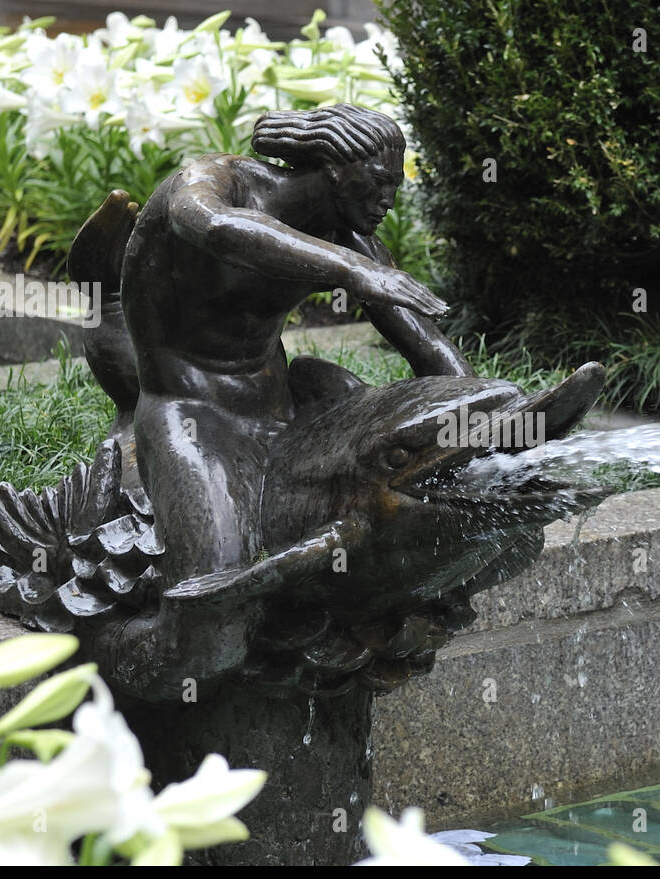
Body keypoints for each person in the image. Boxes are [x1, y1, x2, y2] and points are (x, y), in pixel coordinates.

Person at [110, 104, 474, 687]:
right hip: (191, 413)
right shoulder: (216, 183)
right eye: (380, 182)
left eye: (395, 185)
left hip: (285, 404)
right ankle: (109, 647)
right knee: (209, 622)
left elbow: (430, 351)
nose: (389, 200)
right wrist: (352, 271)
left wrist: (497, 428)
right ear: (334, 168)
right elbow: (218, 228)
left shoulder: (353, 243)